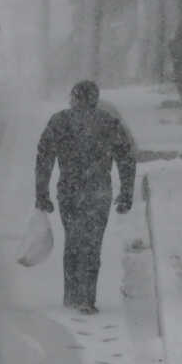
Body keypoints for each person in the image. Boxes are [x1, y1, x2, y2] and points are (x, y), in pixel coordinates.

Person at [34, 79, 137, 313]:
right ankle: (87, 298)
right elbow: (126, 158)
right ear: (95, 99)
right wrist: (126, 193)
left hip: (69, 190)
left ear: (74, 98)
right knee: (92, 244)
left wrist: (42, 194)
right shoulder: (109, 123)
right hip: (98, 191)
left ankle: (71, 294)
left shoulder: (60, 122)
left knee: (73, 240)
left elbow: (44, 159)